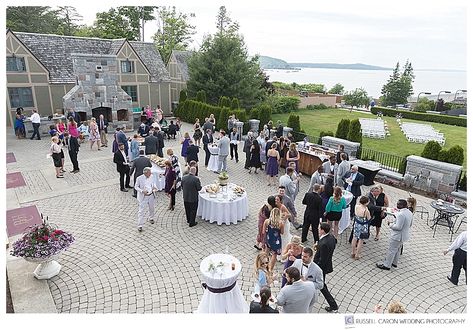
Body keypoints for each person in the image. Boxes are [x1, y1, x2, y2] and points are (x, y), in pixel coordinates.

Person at [376, 199, 413, 270]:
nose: (397, 205)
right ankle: (394, 263)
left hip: (397, 236)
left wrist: (390, 224)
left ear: (402, 205)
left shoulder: (401, 214)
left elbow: (398, 227)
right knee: (398, 249)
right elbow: (410, 224)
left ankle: (387, 265)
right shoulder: (409, 212)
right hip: (404, 235)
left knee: (391, 250)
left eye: (398, 204)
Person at [314, 222, 339, 313]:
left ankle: (333, 305)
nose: (318, 229)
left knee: (322, 286)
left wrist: (315, 268)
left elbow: (322, 260)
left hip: (321, 267)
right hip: (326, 264)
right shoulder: (331, 237)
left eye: (319, 228)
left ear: (323, 231)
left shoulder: (324, 243)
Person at [134, 167, 158, 232]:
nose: (150, 174)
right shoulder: (139, 178)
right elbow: (136, 187)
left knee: (151, 208)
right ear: (146, 173)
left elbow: (153, 183)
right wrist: (142, 191)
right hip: (143, 197)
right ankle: (140, 225)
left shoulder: (152, 176)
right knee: (141, 211)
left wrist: (154, 188)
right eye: (149, 173)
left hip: (151, 195)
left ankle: (151, 218)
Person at [263, 208, 285, 272]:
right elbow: (282, 232)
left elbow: (263, 231)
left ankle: (264, 265)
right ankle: (270, 269)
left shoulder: (267, 221)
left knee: (266, 252)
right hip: (276, 241)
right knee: (274, 255)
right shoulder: (281, 223)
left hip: (269, 238)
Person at [352, 196, 371, 260]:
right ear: (366, 203)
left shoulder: (356, 206)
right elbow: (369, 218)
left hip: (356, 224)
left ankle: (353, 252)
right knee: (361, 240)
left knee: (354, 238)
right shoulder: (366, 210)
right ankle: (357, 255)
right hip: (362, 225)